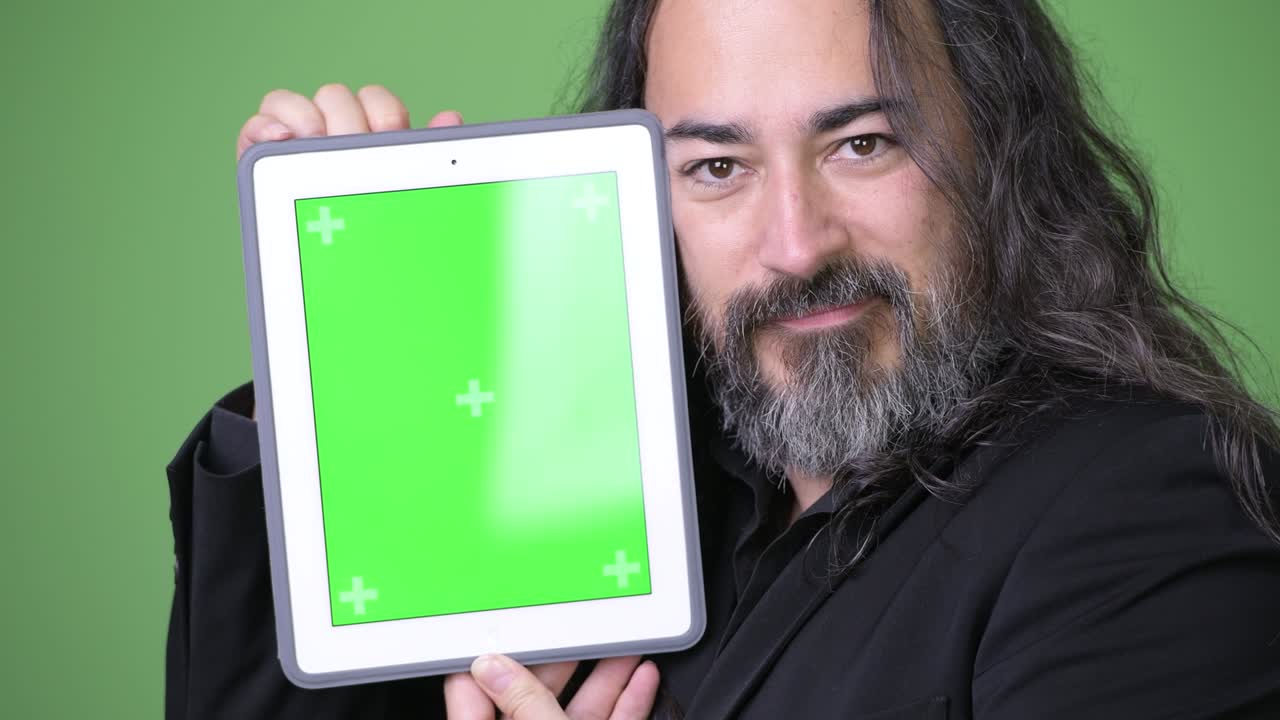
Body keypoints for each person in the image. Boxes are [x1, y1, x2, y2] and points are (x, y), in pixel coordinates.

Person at [168, 0, 1280, 717]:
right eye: (714, 167)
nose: (795, 244)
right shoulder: (616, 510)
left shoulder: (1151, 506)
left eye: (861, 144)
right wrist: (340, 343)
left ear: (992, 153)